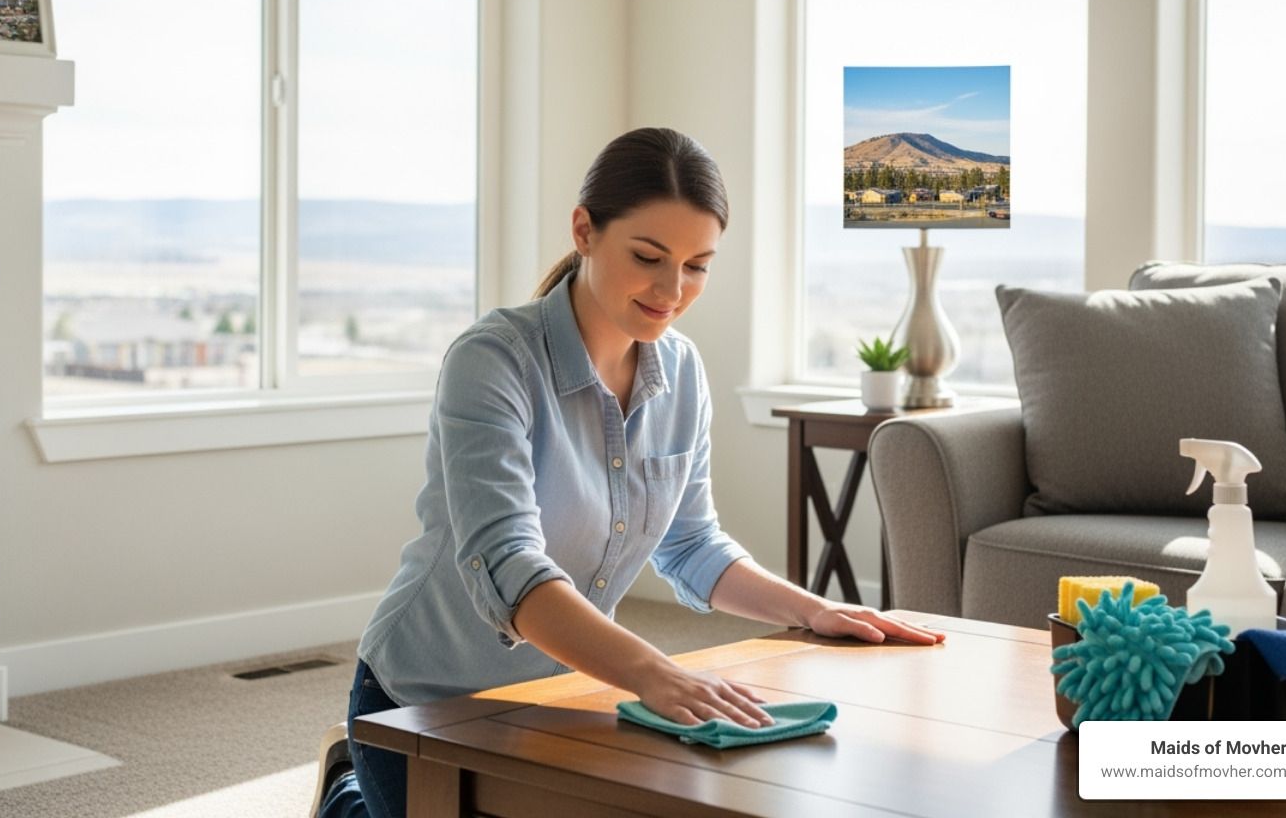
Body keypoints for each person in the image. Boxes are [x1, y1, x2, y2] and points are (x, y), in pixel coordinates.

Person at [318, 128, 944, 818]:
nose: (672, 290)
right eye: (648, 256)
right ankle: (349, 794)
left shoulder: (681, 372)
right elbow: (509, 566)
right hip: (422, 700)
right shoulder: (493, 361)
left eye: (698, 265)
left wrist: (812, 609)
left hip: (567, 694)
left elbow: (691, 545)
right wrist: (656, 672)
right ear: (584, 230)